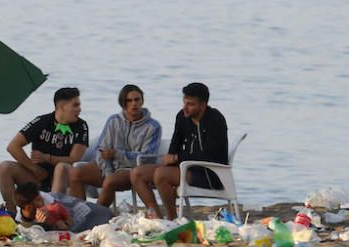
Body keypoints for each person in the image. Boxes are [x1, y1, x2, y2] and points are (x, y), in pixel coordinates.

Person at [130, 82, 228, 220]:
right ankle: (157, 217)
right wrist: (170, 158)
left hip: (209, 173)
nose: (185, 108)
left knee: (161, 174)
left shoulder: (215, 120)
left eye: (190, 104)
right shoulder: (182, 117)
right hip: (184, 168)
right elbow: (176, 142)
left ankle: (172, 218)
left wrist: (177, 158)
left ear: (203, 105)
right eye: (184, 102)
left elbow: (209, 154)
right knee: (137, 173)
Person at [0, 87, 89, 213]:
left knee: (61, 167)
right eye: (75, 105)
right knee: (4, 167)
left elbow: (75, 158)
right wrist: (33, 168)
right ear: (62, 107)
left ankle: (52, 213)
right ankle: (11, 214)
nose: (79, 109)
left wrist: (48, 158)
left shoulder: (81, 126)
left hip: (63, 178)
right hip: (37, 176)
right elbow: (13, 146)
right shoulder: (42, 122)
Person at [68, 84, 162, 206]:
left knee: (110, 181)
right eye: (129, 100)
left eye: (137, 99)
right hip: (108, 167)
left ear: (142, 101)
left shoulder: (153, 126)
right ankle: (81, 211)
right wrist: (107, 171)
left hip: (132, 170)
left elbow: (146, 157)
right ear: (123, 103)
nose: (134, 104)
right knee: (75, 173)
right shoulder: (113, 121)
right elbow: (101, 149)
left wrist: (117, 154)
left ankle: (96, 214)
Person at [13, 182, 112, 233]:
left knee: (100, 213)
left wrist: (53, 216)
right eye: (38, 200)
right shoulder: (20, 220)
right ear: (29, 208)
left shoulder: (46, 200)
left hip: (62, 204)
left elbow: (68, 220)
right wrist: (41, 225)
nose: (42, 201)